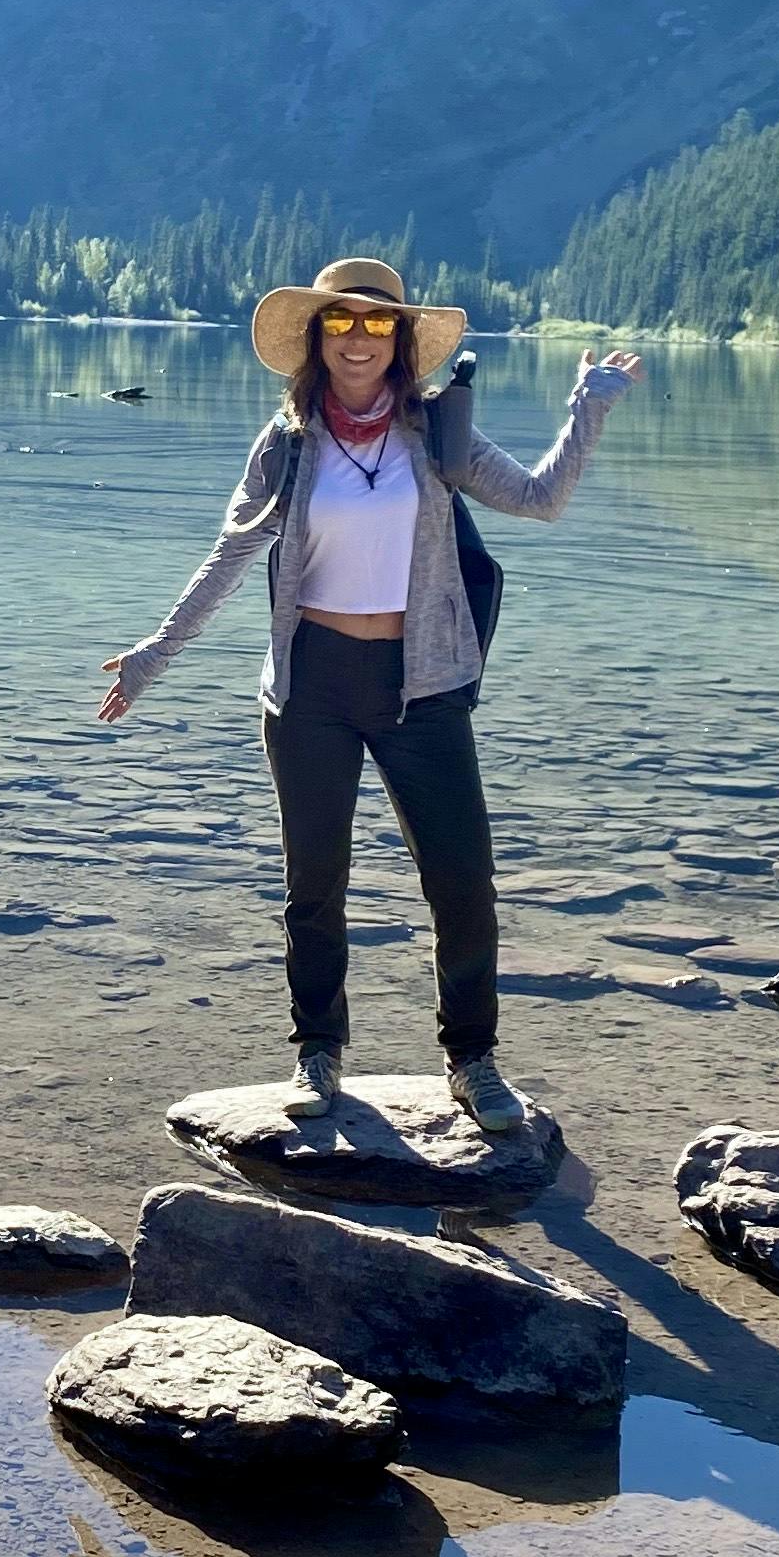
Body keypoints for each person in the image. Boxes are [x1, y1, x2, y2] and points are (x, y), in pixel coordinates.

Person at [98, 255, 641, 1129]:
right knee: (315, 883)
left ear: (401, 341)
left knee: (462, 881)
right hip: (311, 687)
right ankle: (318, 1055)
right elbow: (232, 554)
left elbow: (540, 501)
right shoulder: (287, 442)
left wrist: (590, 407)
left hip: (422, 687)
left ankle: (473, 1061)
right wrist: (156, 653)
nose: (357, 339)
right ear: (317, 339)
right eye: (340, 323)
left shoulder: (438, 436)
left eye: (376, 323)